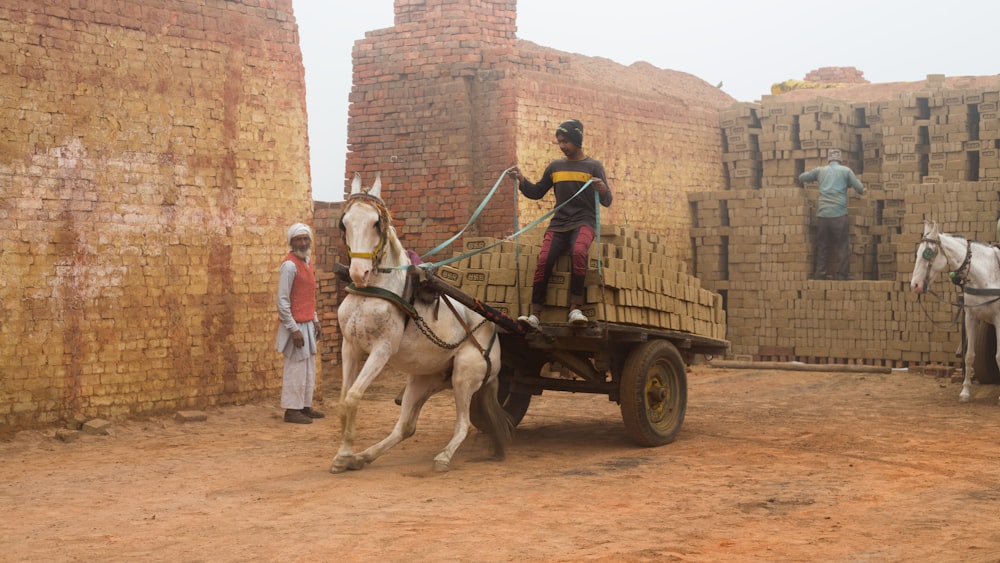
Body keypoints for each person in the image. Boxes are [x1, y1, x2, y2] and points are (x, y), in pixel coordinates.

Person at [510, 119, 613, 328]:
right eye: (559, 142)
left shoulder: (593, 166)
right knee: (544, 259)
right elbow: (536, 192)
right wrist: (521, 180)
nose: (562, 146)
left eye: (565, 141)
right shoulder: (555, 167)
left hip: (584, 221)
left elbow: (607, 200)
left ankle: (575, 309)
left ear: (577, 140)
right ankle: (535, 314)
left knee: (578, 252)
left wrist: (601, 188)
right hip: (559, 223)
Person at [275, 223, 325, 424]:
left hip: (307, 323)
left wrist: (315, 319)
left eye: (306, 239)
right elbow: (282, 300)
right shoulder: (289, 265)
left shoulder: (307, 261)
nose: (303, 243)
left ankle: (304, 406)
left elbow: (307, 295)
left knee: (308, 368)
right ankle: (291, 410)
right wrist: (293, 329)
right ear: (291, 242)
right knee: (295, 369)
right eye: (299, 239)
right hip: (294, 325)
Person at [799, 148, 865, 280]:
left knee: (823, 245)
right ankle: (841, 275)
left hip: (823, 214)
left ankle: (820, 273)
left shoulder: (820, 170)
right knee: (842, 246)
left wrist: (816, 179)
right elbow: (860, 189)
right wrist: (848, 184)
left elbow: (802, 177)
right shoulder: (846, 171)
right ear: (840, 159)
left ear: (829, 159)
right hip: (839, 214)